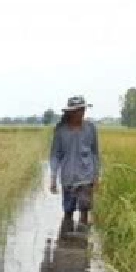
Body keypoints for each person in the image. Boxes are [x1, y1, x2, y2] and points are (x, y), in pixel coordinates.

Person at [49, 95, 101, 226]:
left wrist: (96, 175)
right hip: (68, 177)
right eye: (78, 110)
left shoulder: (91, 128)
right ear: (70, 112)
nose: (81, 113)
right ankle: (66, 241)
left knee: (84, 210)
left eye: (82, 110)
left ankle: (82, 242)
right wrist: (53, 177)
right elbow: (55, 155)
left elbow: (95, 153)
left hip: (86, 177)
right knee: (68, 211)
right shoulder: (60, 131)